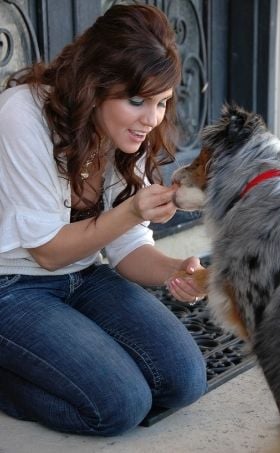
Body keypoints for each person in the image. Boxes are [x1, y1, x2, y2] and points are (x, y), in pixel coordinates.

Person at [0, 3, 207, 436]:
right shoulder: (22, 114)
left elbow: (127, 247)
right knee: (119, 406)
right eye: (137, 101)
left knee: (185, 380)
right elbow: (49, 254)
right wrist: (129, 209)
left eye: (161, 103)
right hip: (12, 286)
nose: (151, 120)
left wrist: (175, 271)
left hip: (84, 276)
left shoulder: (126, 134)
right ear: (96, 83)